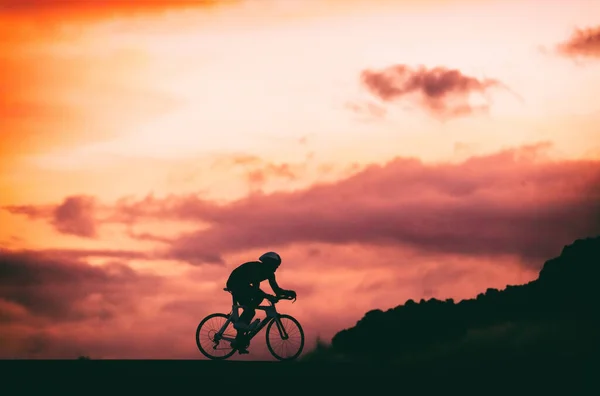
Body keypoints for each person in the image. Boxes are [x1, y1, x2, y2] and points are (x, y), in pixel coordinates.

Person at [226, 251, 296, 354]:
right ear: (268, 263)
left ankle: (239, 341)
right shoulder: (256, 268)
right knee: (252, 308)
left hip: (243, 285)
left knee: (251, 308)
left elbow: (276, 290)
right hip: (235, 284)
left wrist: (288, 293)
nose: (276, 268)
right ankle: (241, 325)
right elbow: (255, 288)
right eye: (275, 265)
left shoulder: (270, 274)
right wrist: (267, 296)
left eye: (277, 266)